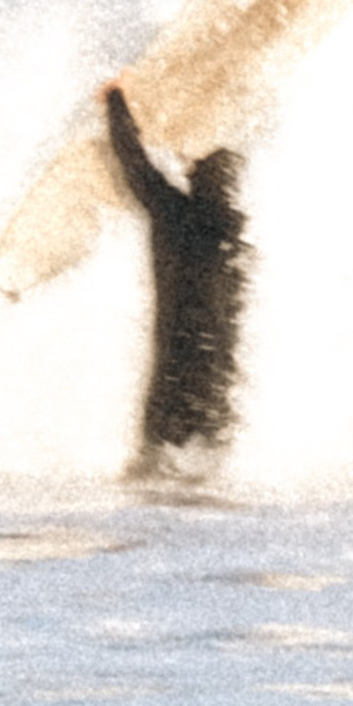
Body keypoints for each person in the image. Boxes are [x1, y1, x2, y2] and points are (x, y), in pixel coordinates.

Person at [103, 83, 248, 474]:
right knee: (203, 494)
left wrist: (115, 104)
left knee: (148, 476)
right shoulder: (237, 243)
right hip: (219, 395)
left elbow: (134, 165)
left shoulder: (175, 217)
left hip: (173, 386)